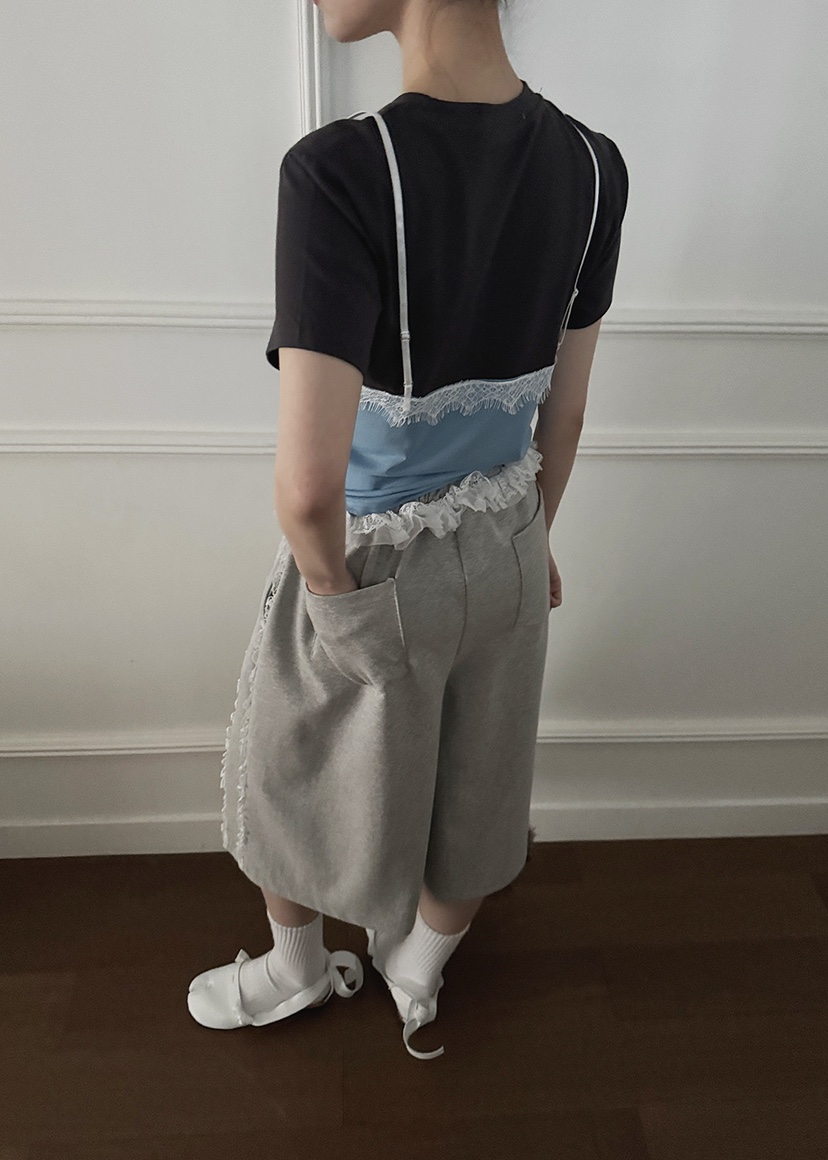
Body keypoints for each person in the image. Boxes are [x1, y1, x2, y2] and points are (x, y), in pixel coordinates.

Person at [188, 0, 629, 1060]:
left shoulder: (339, 171)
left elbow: (309, 490)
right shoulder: (594, 165)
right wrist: (531, 537)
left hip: (374, 557)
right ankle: (420, 964)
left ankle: (297, 969)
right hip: (511, 533)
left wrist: (330, 596)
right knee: (482, 773)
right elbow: (565, 413)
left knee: (293, 761)